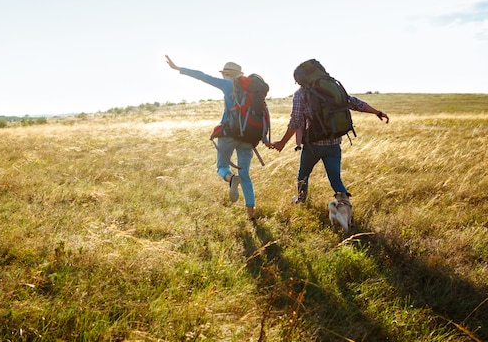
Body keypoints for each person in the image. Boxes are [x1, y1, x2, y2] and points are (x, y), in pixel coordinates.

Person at [271, 62, 389, 210]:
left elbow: (295, 121)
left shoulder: (300, 94)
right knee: (335, 179)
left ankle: (301, 201)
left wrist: (282, 142)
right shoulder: (334, 90)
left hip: (313, 145)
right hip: (334, 143)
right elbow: (356, 103)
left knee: (303, 176)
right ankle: (345, 205)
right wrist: (377, 112)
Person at [165, 54, 259, 220]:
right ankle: (251, 214)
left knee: (221, 166)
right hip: (248, 136)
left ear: (227, 74)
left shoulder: (227, 84)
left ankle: (230, 179)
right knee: (246, 175)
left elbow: (202, 76)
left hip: (229, 133)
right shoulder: (252, 89)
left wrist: (179, 68)